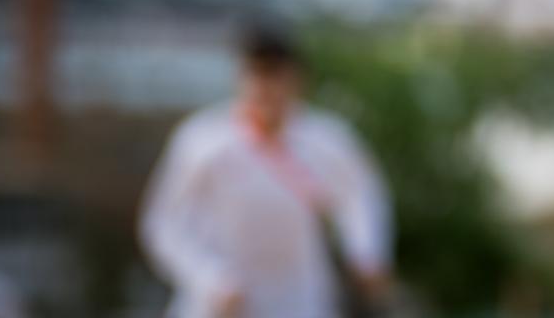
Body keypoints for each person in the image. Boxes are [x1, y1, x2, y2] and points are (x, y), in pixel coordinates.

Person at [139, 22, 394, 318]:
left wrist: (367, 254)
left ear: (297, 79)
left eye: (276, 75)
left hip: (300, 301)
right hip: (217, 306)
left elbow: (361, 196)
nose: (266, 87)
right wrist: (208, 278)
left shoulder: (328, 141)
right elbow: (163, 223)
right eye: (257, 73)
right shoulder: (204, 139)